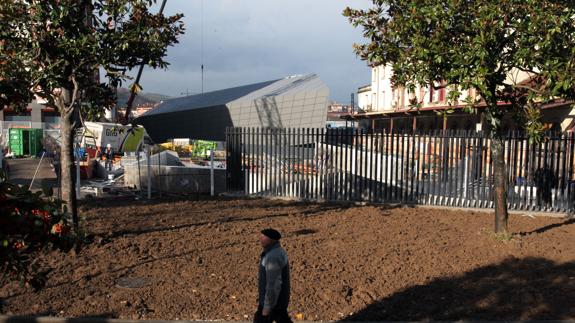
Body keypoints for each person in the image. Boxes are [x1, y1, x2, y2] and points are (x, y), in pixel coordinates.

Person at [254, 229, 292, 323]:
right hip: (278, 303)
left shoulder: (273, 256)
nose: (261, 239)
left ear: (273, 240)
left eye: (264, 237)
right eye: (261, 237)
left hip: (273, 304)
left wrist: (266, 308)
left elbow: (274, 284)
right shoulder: (276, 252)